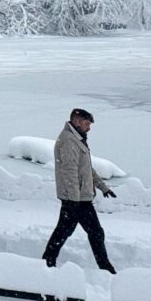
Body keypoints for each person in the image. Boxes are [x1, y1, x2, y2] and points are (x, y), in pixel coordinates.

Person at [41, 108, 117, 272]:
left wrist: (102, 187)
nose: (89, 128)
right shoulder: (69, 141)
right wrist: (74, 201)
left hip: (79, 198)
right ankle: (105, 268)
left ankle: (47, 261)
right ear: (76, 121)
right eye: (86, 123)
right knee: (92, 232)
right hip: (76, 199)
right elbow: (69, 173)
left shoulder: (77, 139)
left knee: (66, 231)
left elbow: (86, 170)